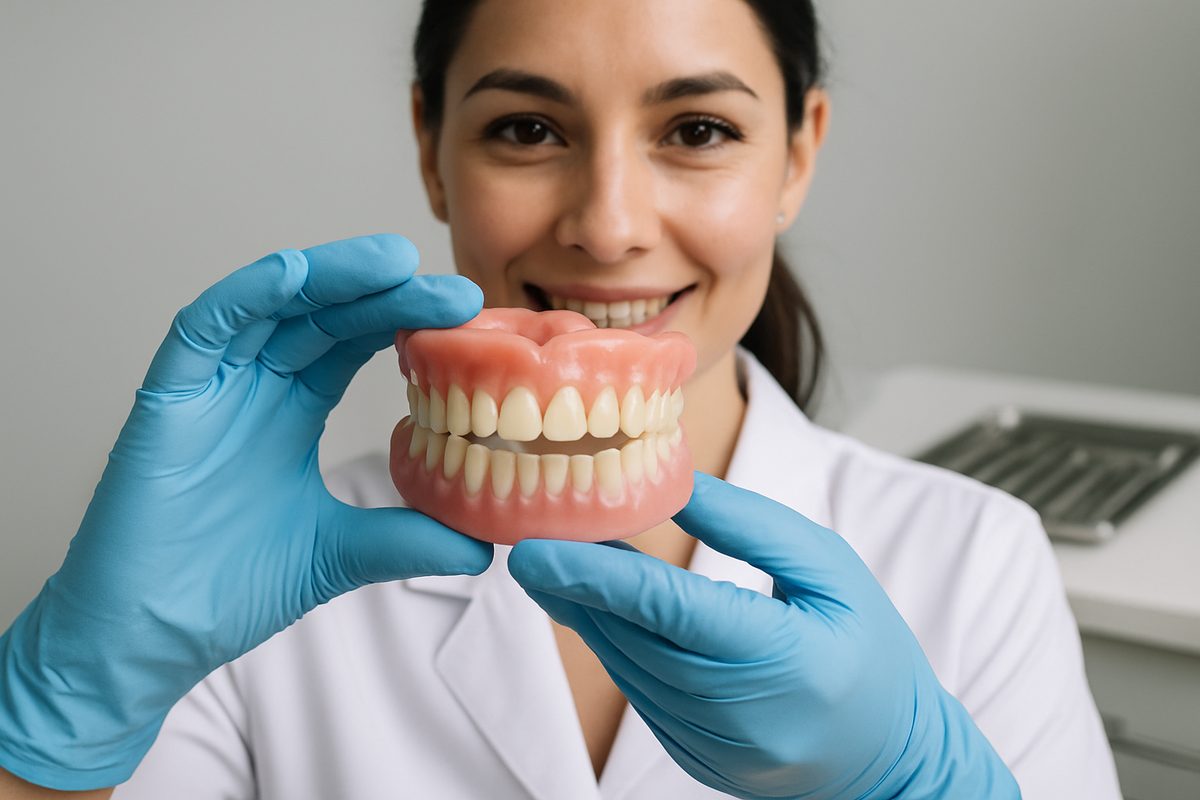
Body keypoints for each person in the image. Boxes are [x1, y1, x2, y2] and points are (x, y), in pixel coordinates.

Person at [0, 1, 1122, 798]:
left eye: (697, 130)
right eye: (528, 129)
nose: (608, 223)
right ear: (433, 152)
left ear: (796, 155)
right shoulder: (240, 580)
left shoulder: (976, 558)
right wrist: (69, 709)